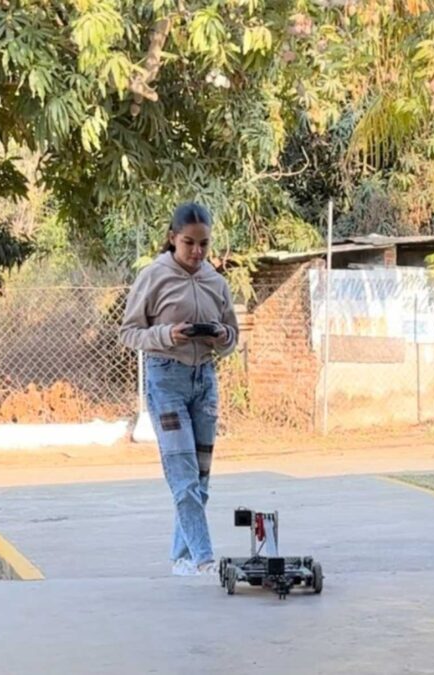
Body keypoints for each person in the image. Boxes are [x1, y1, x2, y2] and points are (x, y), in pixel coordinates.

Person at [121, 202, 240, 577]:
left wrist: (221, 336)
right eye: (189, 243)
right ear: (173, 238)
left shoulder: (216, 282)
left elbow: (232, 336)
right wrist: (167, 334)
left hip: (204, 381)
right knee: (183, 475)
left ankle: (181, 558)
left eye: (204, 244)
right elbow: (128, 332)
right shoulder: (153, 276)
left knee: (200, 479)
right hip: (166, 379)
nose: (197, 252)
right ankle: (204, 559)